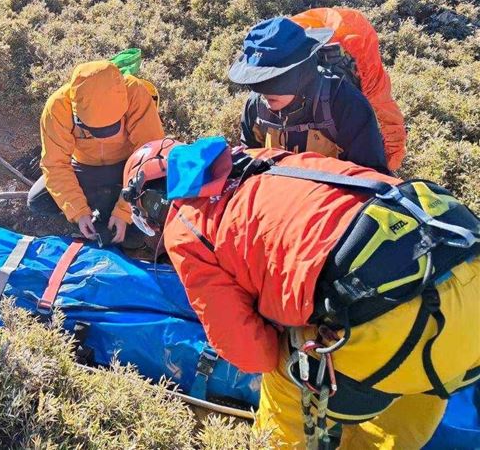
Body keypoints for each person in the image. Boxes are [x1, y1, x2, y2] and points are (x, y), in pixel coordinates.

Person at [121, 138, 480, 448]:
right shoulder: (262, 157)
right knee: (412, 394)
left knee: (288, 371)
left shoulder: (184, 226)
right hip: (463, 267)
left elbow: (251, 354)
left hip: (391, 322)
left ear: (152, 203)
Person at [28, 60, 165, 246]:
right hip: (83, 167)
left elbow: (149, 158)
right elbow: (55, 165)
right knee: (38, 201)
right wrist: (79, 213)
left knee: (134, 238)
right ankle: (100, 205)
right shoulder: (57, 107)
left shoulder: (136, 93)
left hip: (127, 166)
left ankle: (110, 201)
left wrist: (124, 212)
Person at [230, 17, 390, 173]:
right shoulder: (256, 105)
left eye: (274, 79)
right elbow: (251, 161)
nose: (264, 93)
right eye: (258, 80)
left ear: (302, 72)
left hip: (332, 190)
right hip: (277, 187)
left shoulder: (345, 104)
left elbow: (372, 176)